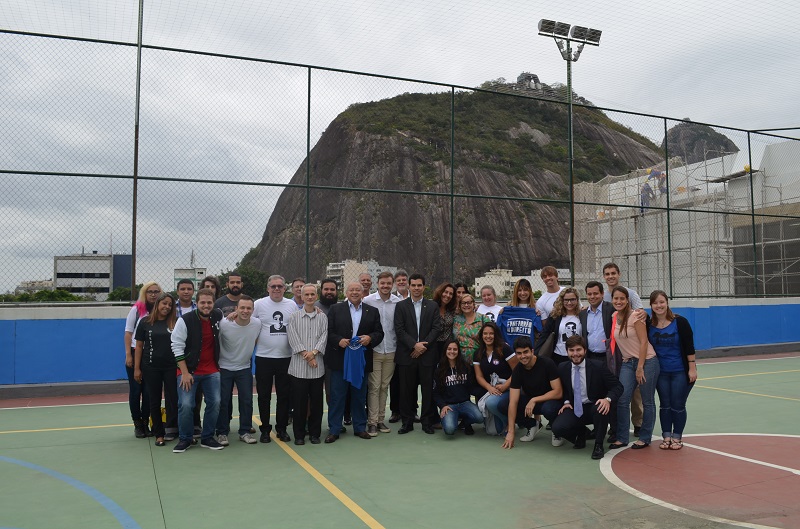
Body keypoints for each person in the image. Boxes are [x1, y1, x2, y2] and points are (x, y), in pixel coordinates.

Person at [325, 282, 384, 443]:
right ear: (346, 292)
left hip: (361, 361)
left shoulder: (372, 311)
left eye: (358, 290)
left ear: (363, 292)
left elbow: (379, 333)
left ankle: (360, 427)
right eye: (351, 290)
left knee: (359, 395)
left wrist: (370, 338)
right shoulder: (335, 310)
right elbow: (328, 332)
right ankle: (334, 429)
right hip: (340, 361)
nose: (355, 292)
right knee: (337, 396)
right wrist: (339, 341)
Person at [551, 336, 623, 460]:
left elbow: (618, 386)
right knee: (557, 428)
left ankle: (599, 445)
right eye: (571, 350)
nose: (575, 354)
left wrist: (607, 399)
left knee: (601, 408)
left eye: (578, 350)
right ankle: (581, 435)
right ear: (567, 351)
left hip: (593, 406)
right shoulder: (563, 367)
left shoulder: (598, 366)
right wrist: (566, 401)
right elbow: (564, 389)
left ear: (585, 350)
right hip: (575, 407)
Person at [171, 288, 224, 453]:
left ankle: (207, 437)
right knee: (186, 405)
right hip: (189, 371)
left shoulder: (218, 316)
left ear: (213, 303)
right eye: (203, 302)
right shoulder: (185, 320)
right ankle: (185, 439)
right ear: (197, 303)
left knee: (215, 402)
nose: (206, 306)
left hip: (211, 370)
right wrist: (185, 373)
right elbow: (176, 347)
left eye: (209, 302)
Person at [609, 286, 660, 450]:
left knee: (647, 401)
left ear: (627, 300)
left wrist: (640, 367)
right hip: (627, 362)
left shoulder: (636, 316)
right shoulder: (614, 316)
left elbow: (644, 342)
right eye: (616, 298)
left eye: (622, 299)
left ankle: (645, 438)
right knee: (622, 399)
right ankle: (622, 437)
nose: (619, 301)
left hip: (647, 362)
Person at [252, 275, 299, 443]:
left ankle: (282, 428)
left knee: (284, 395)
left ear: (284, 289)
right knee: (264, 395)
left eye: (280, 286)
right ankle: (265, 429)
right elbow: (247, 319)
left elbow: (298, 324)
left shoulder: (291, 305)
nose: (277, 289)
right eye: (273, 286)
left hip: (286, 358)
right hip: (264, 357)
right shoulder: (259, 304)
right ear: (268, 288)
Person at [648, 290, 697, 450]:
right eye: (655, 303)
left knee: (678, 405)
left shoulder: (680, 322)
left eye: (661, 302)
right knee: (665, 405)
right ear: (651, 305)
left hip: (679, 371)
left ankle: (677, 437)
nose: (659, 305)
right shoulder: (649, 325)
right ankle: (666, 436)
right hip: (660, 373)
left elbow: (689, 347)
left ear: (667, 303)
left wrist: (692, 369)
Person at [394, 273, 442, 434]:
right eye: (413, 285)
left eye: (419, 285)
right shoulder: (400, 306)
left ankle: (426, 422)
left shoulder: (433, 306)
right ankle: (407, 422)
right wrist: (414, 345)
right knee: (407, 391)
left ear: (424, 287)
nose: (416, 288)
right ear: (409, 286)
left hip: (427, 355)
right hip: (407, 355)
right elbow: (399, 330)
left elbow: (436, 328)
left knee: (428, 391)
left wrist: (423, 346)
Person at [603, 263, 645, 438]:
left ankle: (639, 423)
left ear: (619, 274)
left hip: (631, 347)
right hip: (614, 347)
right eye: (607, 274)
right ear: (604, 276)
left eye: (613, 273)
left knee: (635, 390)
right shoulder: (604, 296)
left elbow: (641, 314)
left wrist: (644, 313)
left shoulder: (631, 293)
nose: (611, 276)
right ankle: (616, 426)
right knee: (618, 387)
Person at [500, 336, 562, 449]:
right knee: (504, 404)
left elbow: (558, 392)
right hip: (531, 403)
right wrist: (511, 432)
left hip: (550, 401)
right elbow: (513, 402)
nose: (523, 356)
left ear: (532, 351)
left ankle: (556, 431)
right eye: (519, 353)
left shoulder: (547, 363)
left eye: (526, 352)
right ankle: (532, 425)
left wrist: (535, 399)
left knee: (548, 409)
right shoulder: (517, 370)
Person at [215, 295, 260, 446]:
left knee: (246, 400)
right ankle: (222, 432)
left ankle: (245, 431)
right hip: (224, 368)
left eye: (249, 308)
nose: (245, 311)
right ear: (236, 309)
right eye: (242, 308)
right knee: (223, 401)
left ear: (253, 310)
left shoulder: (257, 324)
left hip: (244, 368)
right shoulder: (224, 324)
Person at [133, 292, 178, 446]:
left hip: (172, 367)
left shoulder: (176, 322)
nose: (167, 307)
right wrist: (137, 369)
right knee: (154, 400)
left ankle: (172, 429)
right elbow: (139, 346)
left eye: (170, 305)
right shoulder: (145, 322)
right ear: (158, 304)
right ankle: (158, 433)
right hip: (151, 367)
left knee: (173, 399)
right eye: (164, 303)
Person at [287, 284, 328, 445]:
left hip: (317, 370)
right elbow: (293, 338)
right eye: (307, 295)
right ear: (301, 297)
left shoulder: (322, 317)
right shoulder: (294, 317)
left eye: (312, 294)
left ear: (316, 296)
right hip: (298, 369)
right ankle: (299, 434)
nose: (310, 297)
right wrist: (307, 356)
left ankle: (315, 433)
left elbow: (324, 337)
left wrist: (315, 353)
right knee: (299, 403)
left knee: (317, 403)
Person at [363, 272, 401, 436]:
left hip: (392, 350)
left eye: (388, 283)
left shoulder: (398, 302)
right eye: (382, 283)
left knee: (384, 387)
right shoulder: (368, 300)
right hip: (375, 351)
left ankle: (380, 420)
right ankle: (371, 422)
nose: (385, 286)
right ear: (377, 284)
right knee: (374, 387)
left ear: (392, 285)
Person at [123, 281, 161, 438]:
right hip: (135, 352)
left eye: (156, 291)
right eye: (150, 291)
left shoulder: (162, 310)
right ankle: (137, 424)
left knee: (148, 392)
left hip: (151, 355)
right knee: (136, 391)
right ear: (145, 293)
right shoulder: (137, 309)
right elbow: (128, 332)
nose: (153, 294)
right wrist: (128, 355)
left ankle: (146, 422)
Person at [473, 322, 518, 435]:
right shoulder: (478, 353)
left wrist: (505, 386)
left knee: (491, 403)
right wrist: (489, 388)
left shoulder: (504, 348)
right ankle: (504, 420)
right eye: (485, 333)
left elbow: (517, 371)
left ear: (496, 335)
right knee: (493, 431)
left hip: (508, 388)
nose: (488, 336)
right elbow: (479, 376)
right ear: (481, 335)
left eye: (491, 333)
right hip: (492, 389)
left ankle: (511, 422)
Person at [433, 340, 483, 436]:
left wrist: (487, 391)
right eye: (449, 349)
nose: (452, 351)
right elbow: (435, 393)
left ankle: (466, 423)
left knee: (480, 417)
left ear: (458, 351)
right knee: (450, 430)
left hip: (465, 403)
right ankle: (450, 420)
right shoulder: (439, 369)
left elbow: (471, 387)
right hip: (449, 406)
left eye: (455, 349)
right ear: (445, 351)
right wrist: (442, 405)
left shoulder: (465, 367)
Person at [534, 287, 582, 365]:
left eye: (572, 299)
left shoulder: (582, 315)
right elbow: (544, 335)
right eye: (566, 300)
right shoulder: (555, 316)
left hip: (578, 356)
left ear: (577, 300)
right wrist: (535, 354)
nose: (569, 303)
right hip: (558, 356)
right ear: (562, 300)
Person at [579, 281, 615, 363]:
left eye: (595, 293)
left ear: (602, 294)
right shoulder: (583, 314)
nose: (592, 297)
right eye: (589, 294)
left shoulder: (611, 309)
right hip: (590, 357)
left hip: (608, 357)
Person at [452, 293, 489, 362]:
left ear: (473, 304)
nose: (466, 305)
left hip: (479, 359)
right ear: (460, 305)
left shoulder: (483, 319)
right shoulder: (456, 320)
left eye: (469, 303)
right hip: (459, 360)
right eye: (463, 303)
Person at [432, 282, 457, 355]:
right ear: (440, 292)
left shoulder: (452, 310)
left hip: (447, 347)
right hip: (433, 346)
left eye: (451, 294)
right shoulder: (431, 307)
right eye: (446, 292)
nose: (448, 295)